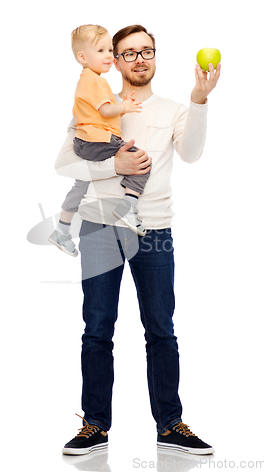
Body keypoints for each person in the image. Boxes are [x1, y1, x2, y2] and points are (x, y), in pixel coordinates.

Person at [54, 25, 221, 455]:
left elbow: (192, 153)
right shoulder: (97, 103)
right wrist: (116, 165)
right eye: (128, 53)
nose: (139, 59)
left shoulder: (171, 109)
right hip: (98, 228)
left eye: (146, 51)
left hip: (154, 231)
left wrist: (199, 99)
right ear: (116, 59)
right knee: (97, 329)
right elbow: (65, 163)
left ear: (154, 57)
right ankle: (94, 426)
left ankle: (170, 424)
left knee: (161, 330)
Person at [48, 24, 150, 258]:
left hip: (86, 141)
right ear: (82, 57)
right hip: (97, 140)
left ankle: (62, 230)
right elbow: (105, 111)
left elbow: (101, 113)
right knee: (140, 162)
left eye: (110, 50)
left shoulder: (90, 80)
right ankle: (128, 207)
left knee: (82, 183)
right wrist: (123, 106)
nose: (108, 56)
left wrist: (122, 109)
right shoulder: (93, 80)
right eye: (102, 51)